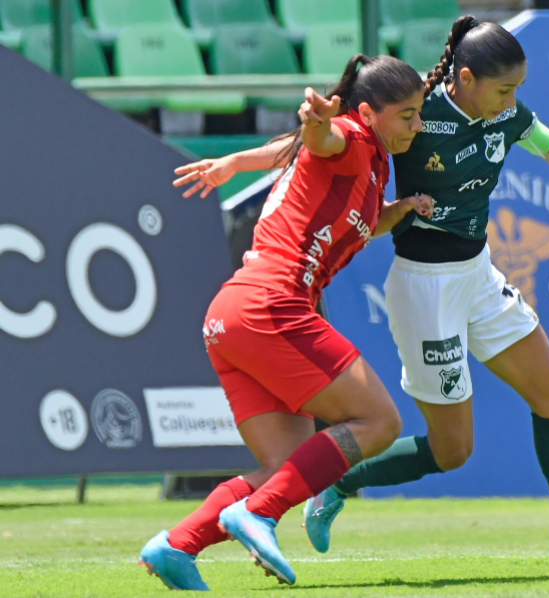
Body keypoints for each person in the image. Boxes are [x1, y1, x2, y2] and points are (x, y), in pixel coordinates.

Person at [175, 16, 549, 575]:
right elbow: (318, 144)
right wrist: (238, 162)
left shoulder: (506, 116)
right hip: (426, 288)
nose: (512, 102)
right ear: (466, 79)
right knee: (453, 452)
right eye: (504, 89)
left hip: (478, 274)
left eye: (517, 90)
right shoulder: (413, 117)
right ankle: (337, 480)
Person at [137, 54, 433, 591]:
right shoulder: (351, 137)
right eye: (408, 115)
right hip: (273, 306)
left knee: (287, 467)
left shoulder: (371, 166)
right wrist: (315, 121)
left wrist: (402, 208)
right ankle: (259, 514)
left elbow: (319, 175)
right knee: (380, 422)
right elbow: (320, 140)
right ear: (368, 113)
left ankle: (176, 545)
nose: (417, 125)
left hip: (234, 314)